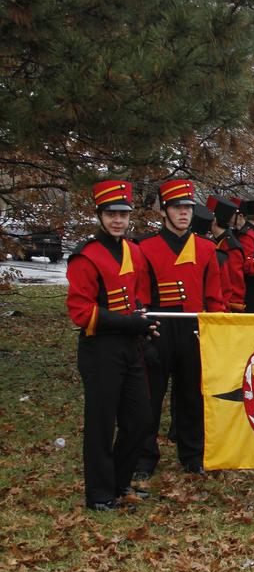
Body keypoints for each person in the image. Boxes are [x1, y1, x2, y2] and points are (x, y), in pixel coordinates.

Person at [66, 180, 158, 511]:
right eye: (111, 214)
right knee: (101, 424)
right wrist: (130, 322)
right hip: (100, 348)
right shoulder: (85, 256)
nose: (118, 220)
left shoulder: (134, 251)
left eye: (123, 214)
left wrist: (144, 327)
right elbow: (81, 312)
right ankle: (100, 494)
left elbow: (139, 298)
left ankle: (120, 483)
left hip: (130, 346)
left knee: (140, 419)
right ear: (99, 215)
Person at [135, 179, 225, 478]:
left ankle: (193, 455)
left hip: (192, 330)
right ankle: (144, 459)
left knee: (192, 396)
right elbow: (141, 296)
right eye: (177, 207)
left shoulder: (205, 247)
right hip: (159, 328)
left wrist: (216, 330)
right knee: (150, 397)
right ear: (164, 211)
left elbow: (214, 296)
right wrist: (144, 331)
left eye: (187, 207)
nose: (184, 213)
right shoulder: (145, 247)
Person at [207, 196, 244, 312]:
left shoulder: (230, 246)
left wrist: (233, 307)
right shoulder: (217, 241)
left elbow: (235, 282)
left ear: (214, 220)